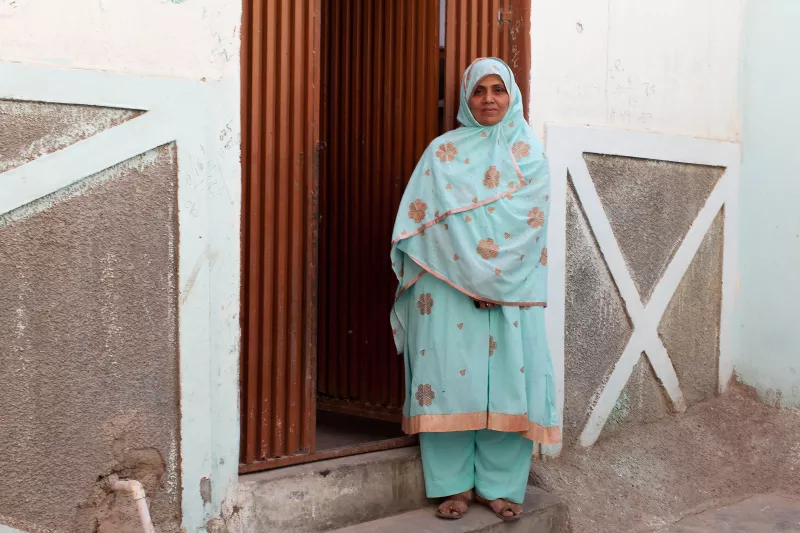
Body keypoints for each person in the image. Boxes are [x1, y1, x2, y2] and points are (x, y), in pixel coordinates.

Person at [389, 58, 561, 521]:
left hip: (512, 288)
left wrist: (495, 282)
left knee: (509, 381)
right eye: (479, 91)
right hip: (447, 286)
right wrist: (470, 278)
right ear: (467, 98)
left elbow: (532, 228)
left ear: (512, 97)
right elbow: (422, 224)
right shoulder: (442, 153)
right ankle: (454, 487)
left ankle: (500, 487)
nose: (489, 99)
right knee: (447, 382)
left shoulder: (530, 156)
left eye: (498, 90)